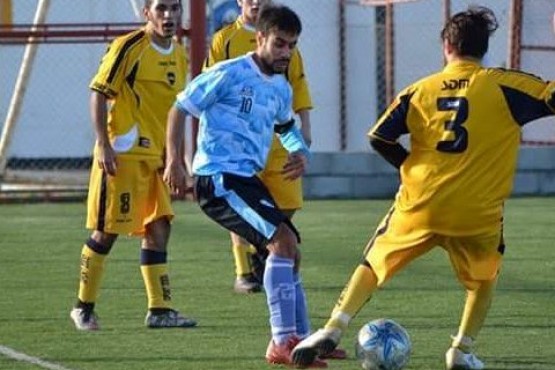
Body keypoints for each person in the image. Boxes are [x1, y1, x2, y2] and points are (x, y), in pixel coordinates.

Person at [292, 6, 555, 370]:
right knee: (484, 278)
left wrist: (408, 167)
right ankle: (461, 350)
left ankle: (333, 327)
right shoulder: (504, 84)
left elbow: (379, 136)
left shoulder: (420, 89)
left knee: (373, 261)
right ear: (484, 48)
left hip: (420, 203)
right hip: (476, 213)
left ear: (446, 46)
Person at [164, 4, 327, 367]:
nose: (286, 52)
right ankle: (282, 343)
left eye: (292, 46)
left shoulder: (281, 88)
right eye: (280, 44)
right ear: (260, 38)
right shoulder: (229, 73)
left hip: (246, 178)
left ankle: (302, 341)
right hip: (218, 176)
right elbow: (180, 107)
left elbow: (286, 128)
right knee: (281, 242)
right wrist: (175, 160)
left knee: (290, 250)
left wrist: (300, 152)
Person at [69, 0, 197, 331]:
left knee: (160, 228)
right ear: (147, 14)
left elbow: (176, 112)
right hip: (123, 157)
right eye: (161, 9)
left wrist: (178, 160)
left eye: (174, 8)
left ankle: (160, 310)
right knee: (107, 231)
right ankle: (82, 307)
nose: (169, 16)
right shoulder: (128, 47)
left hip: (156, 159)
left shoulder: (179, 54)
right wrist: (104, 145)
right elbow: (98, 92)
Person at [205, 0, 313, 295]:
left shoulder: (287, 43)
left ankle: (263, 255)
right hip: (237, 147)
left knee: (286, 207)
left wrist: (305, 131)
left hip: (276, 137)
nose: (256, 2)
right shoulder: (224, 41)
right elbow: (206, 88)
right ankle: (245, 272)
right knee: (243, 205)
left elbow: (298, 85)